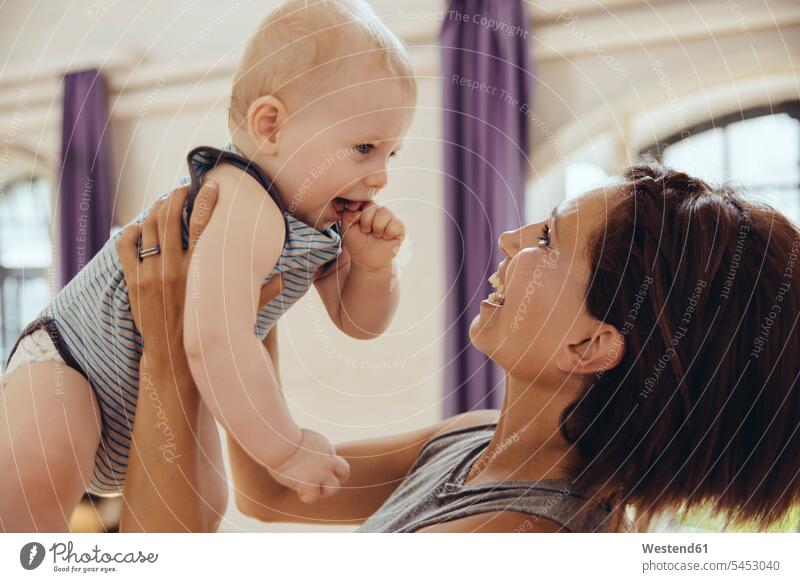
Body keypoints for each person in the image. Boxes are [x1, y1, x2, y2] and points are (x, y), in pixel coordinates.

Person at [120, 163, 800, 532]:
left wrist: (167, 349)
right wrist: (246, 297)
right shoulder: (478, 442)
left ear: (590, 344)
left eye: (548, 241)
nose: (510, 241)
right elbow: (275, 492)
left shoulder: (514, 537)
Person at [0, 0, 416, 531]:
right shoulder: (244, 199)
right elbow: (214, 337)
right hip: (68, 366)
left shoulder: (320, 227)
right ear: (270, 125)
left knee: (207, 503)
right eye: (364, 147)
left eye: (391, 154)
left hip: (147, 401)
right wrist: (283, 446)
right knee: (39, 482)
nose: (379, 175)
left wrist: (375, 270)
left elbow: (357, 323)